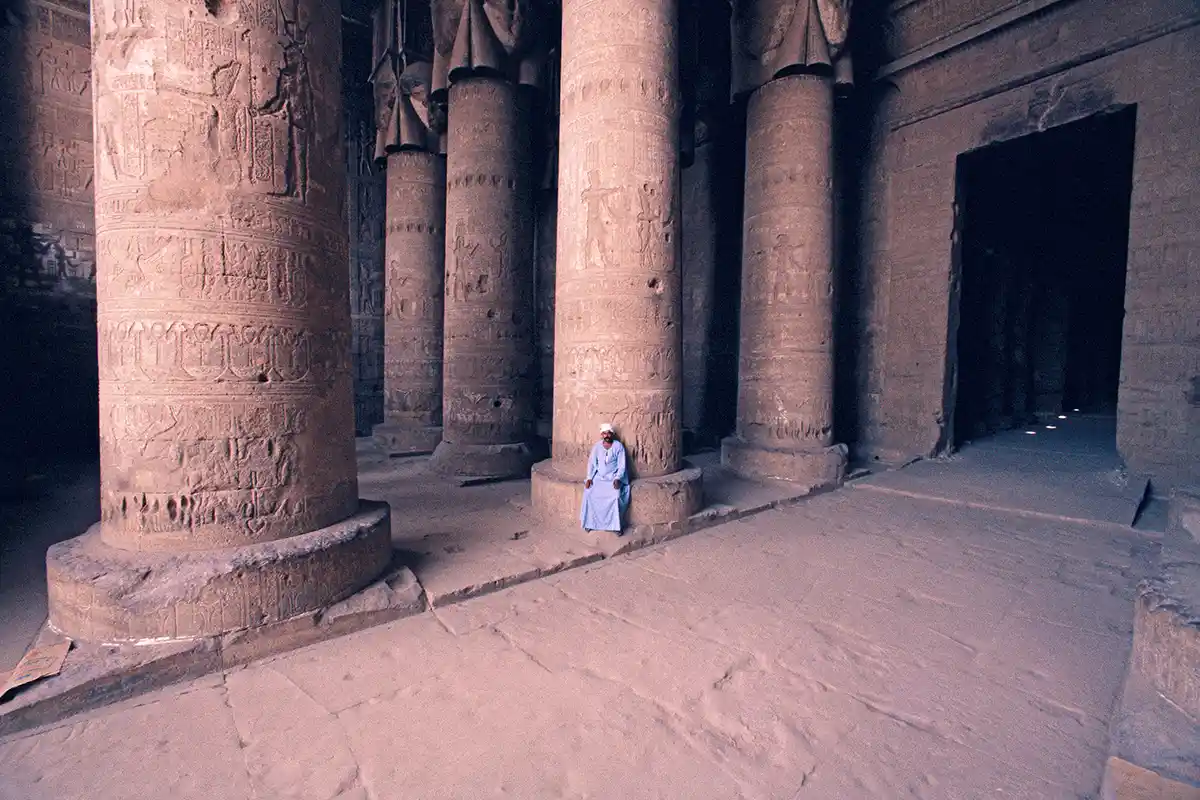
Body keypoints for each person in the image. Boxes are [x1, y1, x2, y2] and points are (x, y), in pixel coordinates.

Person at [581, 423, 630, 534]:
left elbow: (622, 465)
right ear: (601, 435)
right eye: (604, 433)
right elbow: (592, 463)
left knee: (616, 496)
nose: (606, 435)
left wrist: (618, 478)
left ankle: (615, 527)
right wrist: (589, 478)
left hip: (613, 478)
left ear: (612, 434)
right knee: (589, 493)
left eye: (609, 433)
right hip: (599, 477)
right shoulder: (597, 447)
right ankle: (590, 523)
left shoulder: (618, 446)